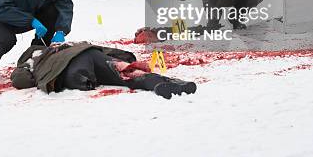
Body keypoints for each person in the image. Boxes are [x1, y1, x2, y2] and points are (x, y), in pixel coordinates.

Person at [10, 42, 197, 100]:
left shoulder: (32, 60)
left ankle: (158, 84)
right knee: (124, 74)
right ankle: (159, 82)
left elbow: (20, 79)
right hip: (89, 54)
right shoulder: (66, 45)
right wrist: (124, 58)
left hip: (74, 69)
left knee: (83, 79)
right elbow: (100, 49)